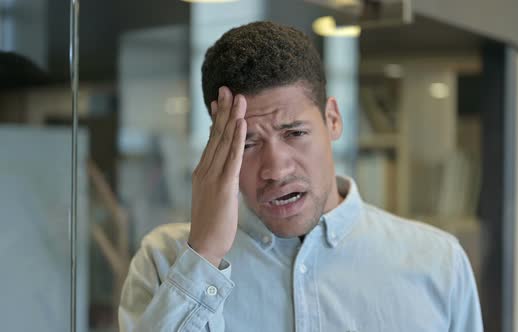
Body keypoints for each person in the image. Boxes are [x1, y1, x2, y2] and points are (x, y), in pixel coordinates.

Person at [118, 21, 483, 332]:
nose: (276, 169)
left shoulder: (438, 263)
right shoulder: (165, 261)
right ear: (217, 146)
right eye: (247, 143)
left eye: (294, 133)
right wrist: (204, 257)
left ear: (333, 120)